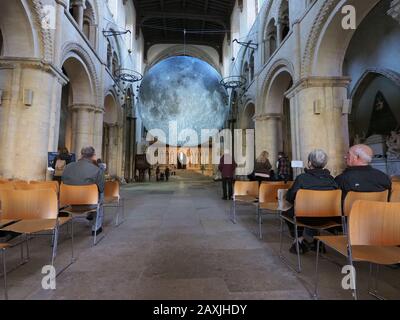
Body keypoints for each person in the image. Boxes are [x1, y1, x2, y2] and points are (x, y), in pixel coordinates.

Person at [284, 149, 339, 254]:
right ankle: (316, 240)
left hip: (305, 217)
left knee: (288, 212)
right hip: (327, 218)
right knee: (314, 210)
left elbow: (290, 198)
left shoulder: (302, 178)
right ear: (324, 164)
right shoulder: (332, 180)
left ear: (309, 163)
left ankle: (299, 240)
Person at [62, 146, 105, 236]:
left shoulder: (68, 167)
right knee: (101, 193)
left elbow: (64, 182)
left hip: (69, 203)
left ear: (81, 155)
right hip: (89, 203)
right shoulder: (97, 170)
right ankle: (96, 228)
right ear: (93, 156)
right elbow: (101, 188)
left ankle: (91, 215)